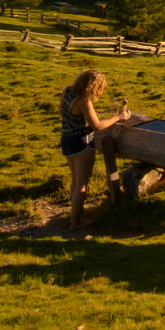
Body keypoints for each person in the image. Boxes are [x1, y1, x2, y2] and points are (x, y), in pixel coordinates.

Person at [58, 69, 136, 230]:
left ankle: (77, 211)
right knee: (82, 184)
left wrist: (90, 114)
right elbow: (98, 126)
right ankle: (75, 223)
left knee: (75, 179)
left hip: (66, 139)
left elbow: (65, 112)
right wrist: (118, 117)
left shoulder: (68, 91)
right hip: (82, 143)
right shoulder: (84, 101)